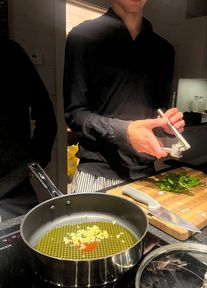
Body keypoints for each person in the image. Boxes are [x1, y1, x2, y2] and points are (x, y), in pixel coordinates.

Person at [63, 0, 185, 193]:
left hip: (147, 176)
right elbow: (74, 114)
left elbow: (158, 116)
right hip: (97, 175)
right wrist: (125, 132)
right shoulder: (82, 36)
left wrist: (168, 128)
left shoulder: (164, 50)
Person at [0, 37, 57, 221]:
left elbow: (45, 110)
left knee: (29, 246)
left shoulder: (9, 51)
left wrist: (36, 160)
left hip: (15, 191)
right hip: (15, 184)